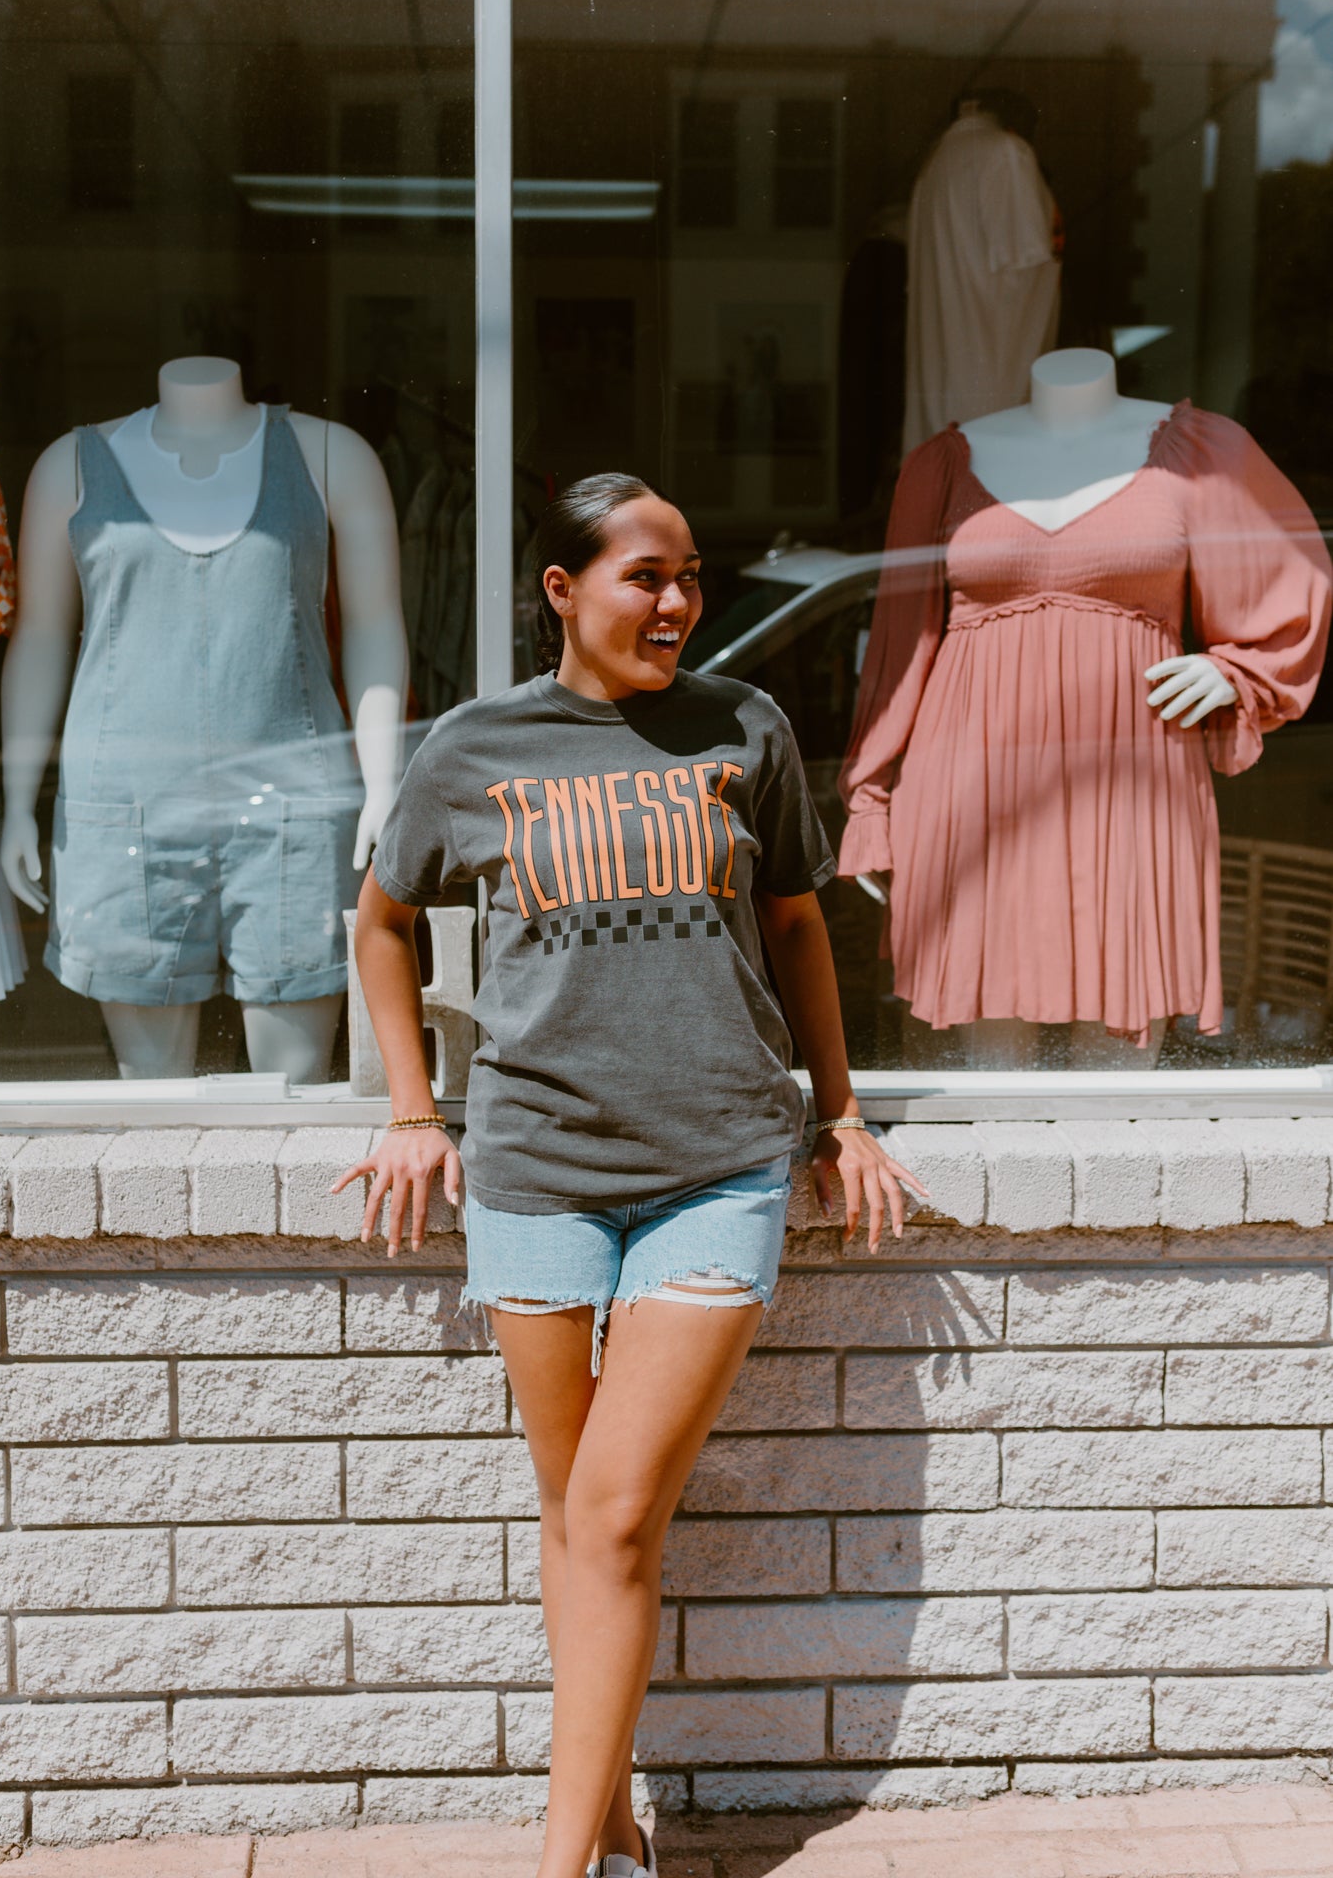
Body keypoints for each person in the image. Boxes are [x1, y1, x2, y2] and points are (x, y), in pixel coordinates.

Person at [334, 473, 928, 1878]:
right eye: (643, 577)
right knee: (576, 1516)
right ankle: (611, 1847)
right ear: (562, 588)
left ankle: (556, 1870)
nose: (675, 604)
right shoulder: (474, 748)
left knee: (607, 1511)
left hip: (715, 1165)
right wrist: (419, 1113)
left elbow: (795, 924)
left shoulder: (745, 729)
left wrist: (837, 1115)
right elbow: (380, 922)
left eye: (689, 578)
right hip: (536, 1164)